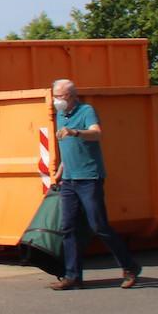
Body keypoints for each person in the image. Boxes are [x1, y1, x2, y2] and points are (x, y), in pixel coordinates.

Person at [48, 79, 142, 290]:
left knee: (98, 225)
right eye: (55, 96)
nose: (57, 101)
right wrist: (60, 173)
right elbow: (68, 149)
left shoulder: (86, 110)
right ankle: (72, 276)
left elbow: (97, 133)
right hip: (69, 180)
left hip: (89, 178)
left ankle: (130, 267)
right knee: (68, 227)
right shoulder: (60, 116)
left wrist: (76, 132)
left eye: (60, 97)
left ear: (72, 96)